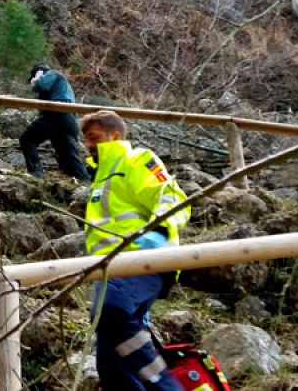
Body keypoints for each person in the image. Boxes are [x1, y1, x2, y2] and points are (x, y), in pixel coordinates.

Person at [80, 109, 190, 391]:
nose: (87, 144)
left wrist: (157, 235)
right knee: (112, 365)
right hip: (111, 272)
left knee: (110, 311)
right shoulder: (100, 180)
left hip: (143, 261)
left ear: (114, 135)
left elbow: (172, 196)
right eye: (85, 139)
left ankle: (166, 387)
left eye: (93, 137)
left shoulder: (135, 159)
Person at [20, 64, 92, 181]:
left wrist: (36, 78)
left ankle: (36, 175)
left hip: (56, 113)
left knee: (27, 140)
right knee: (69, 156)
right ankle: (85, 182)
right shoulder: (63, 84)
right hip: (69, 119)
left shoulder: (52, 74)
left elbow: (40, 85)